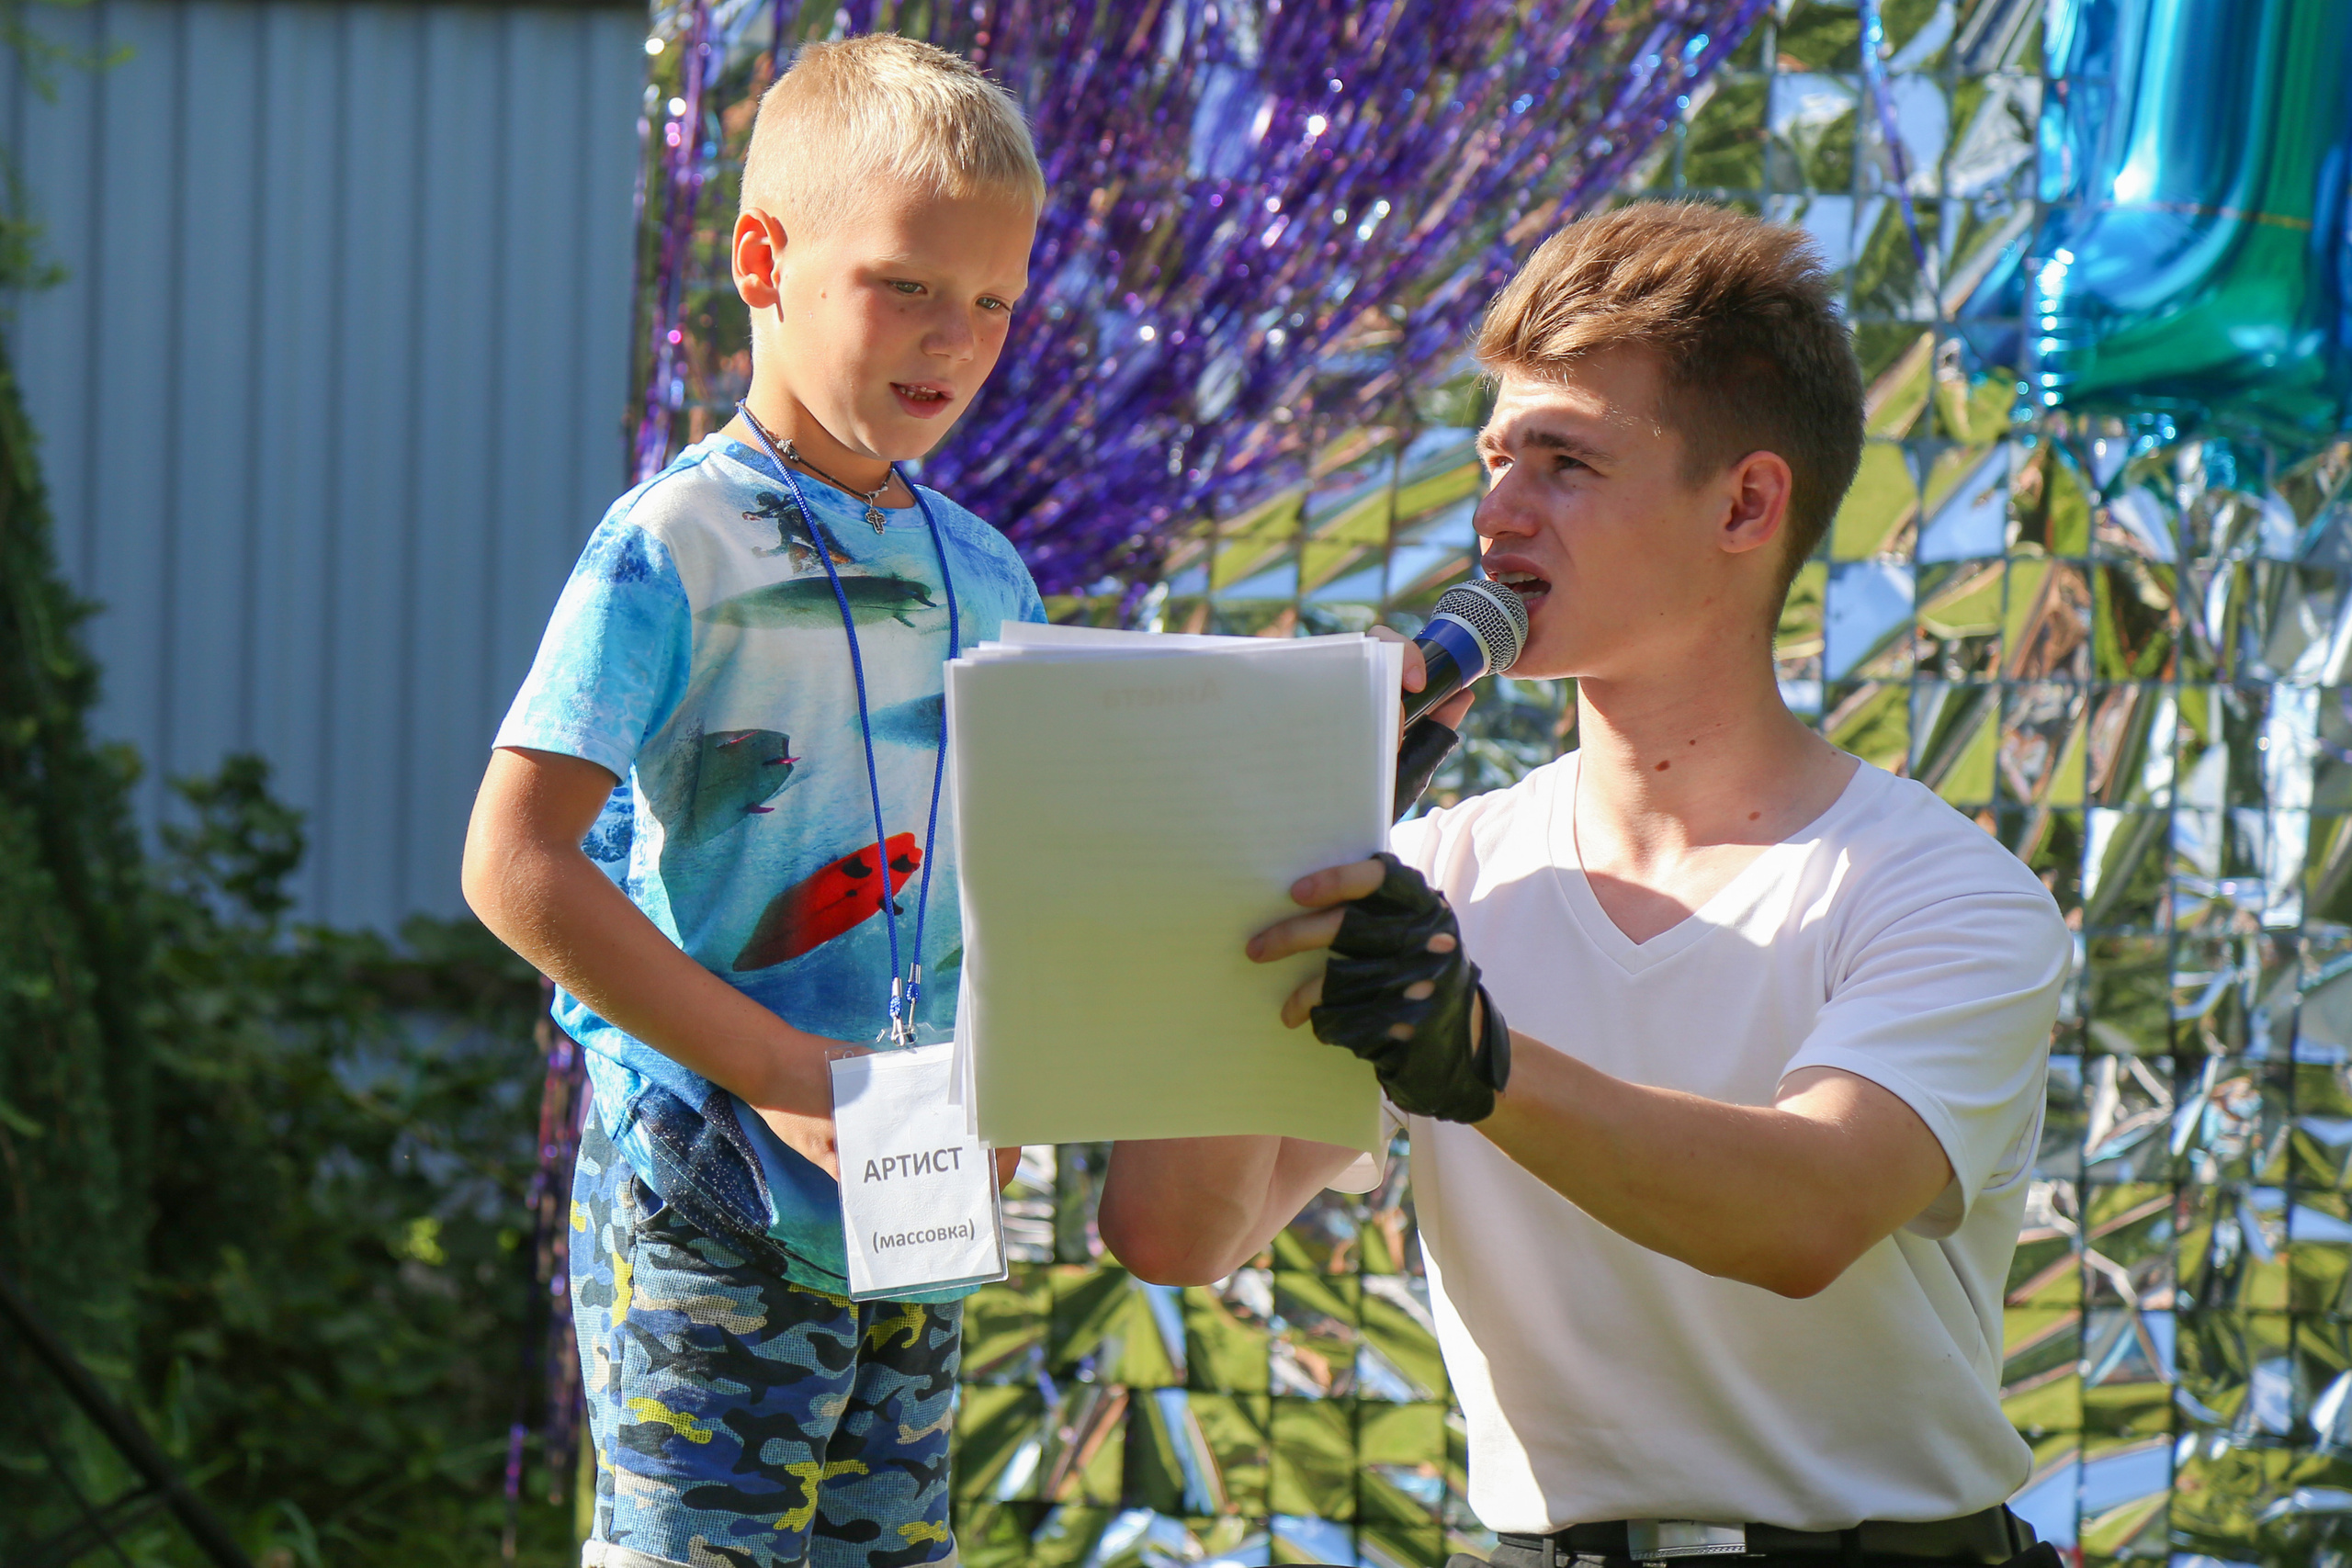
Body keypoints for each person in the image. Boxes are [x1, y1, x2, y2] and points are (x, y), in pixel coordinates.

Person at [1098, 202, 2070, 1568]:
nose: (1497, 512)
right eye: (1495, 457)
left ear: (1746, 502)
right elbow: (1174, 1232)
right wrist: (1268, 838)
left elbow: (1807, 1212)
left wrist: (1477, 1059)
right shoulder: (1439, 872)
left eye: (1563, 462)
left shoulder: (1941, 889)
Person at [461, 35, 1046, 1568]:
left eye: (993, 301)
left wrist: (1000, 1084)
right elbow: (514, 866)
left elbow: (1016, 877)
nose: (954, 339)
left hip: (917, 1187)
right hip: (711, 1185)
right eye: (907, 283)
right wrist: (789, 1072)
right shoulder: (674, 544)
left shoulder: (989, 570)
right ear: (762, 260)